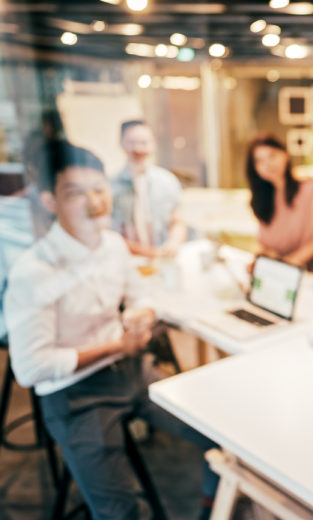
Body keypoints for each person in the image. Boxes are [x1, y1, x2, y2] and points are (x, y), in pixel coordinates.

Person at [4, 140, 218, 518]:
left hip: (131, 374)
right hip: (74, 396)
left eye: (99, 189)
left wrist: (141, 314)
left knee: (218, 435)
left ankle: (212, 507)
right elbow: (30, 368)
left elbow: (142, 295)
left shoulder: (114, 245)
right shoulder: (33, 271)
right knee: (121, 512)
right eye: (76, 193)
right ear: (50, 201)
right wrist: (117, 346)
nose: (95, 201)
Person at [246, 134, 313, 269]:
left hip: (309, 273)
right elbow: (262, 241)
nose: (267, 164)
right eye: (259, 161)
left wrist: (285, 266)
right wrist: (259, 258)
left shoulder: (311, 189)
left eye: (272, 156)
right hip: (279, 271)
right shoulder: (263, 198)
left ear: (285, 154)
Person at [111, 119, 187, 258]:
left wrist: (173, 243)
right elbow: (108, 234)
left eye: (144, 143)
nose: (138, 149)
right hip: (127, 261)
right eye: (132, 142)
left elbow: (177, 222)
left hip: (164, 260)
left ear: (153, 144)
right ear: (121, 142)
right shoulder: (110, 187)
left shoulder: (167, 181)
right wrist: (147, 253)